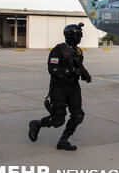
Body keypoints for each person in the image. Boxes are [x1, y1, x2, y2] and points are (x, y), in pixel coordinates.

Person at [28, 23, 91, 151]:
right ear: (69, 36)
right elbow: (53, 69)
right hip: (59, 87)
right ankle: (36, 124)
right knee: (58, 120)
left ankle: (63, 140)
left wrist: (85, 74)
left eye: (80, 35)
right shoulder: (58, 50)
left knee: (78, 115)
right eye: (77, 35)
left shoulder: (78, 51)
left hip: (73, 87)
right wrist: (70, 70)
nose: (79, 38)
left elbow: (79, 65)